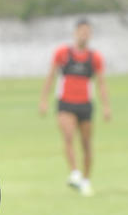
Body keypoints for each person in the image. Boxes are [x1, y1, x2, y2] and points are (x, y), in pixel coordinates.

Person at [38, 17, 111, 196]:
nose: (84, 35)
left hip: (85, 105)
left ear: (90, 35)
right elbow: (51, 76)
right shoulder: (62, 53)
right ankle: (75, 172)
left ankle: (86, 181)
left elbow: (101, 83)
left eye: (87, 32)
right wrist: (44, 100)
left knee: (86, 144)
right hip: (66, 103)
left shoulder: (95, 58)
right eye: (81, 31)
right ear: (75, 33)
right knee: (68, 136)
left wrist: (106, 106)